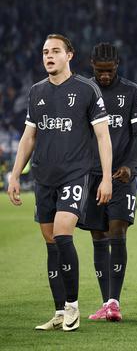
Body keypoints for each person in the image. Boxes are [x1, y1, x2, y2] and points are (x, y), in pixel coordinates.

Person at [7, 34, 113, 331]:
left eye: (55, 51)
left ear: (70, 55)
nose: (48, 56)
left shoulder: (86, 89)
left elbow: (103, 136)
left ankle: (72, 307)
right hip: (43, 177)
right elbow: (29, 137)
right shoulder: (36, 92)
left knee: (63, 233)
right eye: (44, 52)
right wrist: (15, 174)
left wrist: (106, 178)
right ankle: (58, 311)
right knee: (51, 243)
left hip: (75, 174)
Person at [79, 43, 137, 322]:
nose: (105, 76)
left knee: (118, 232)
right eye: (100, 71)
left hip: (121, 176)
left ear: (117, 65)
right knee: (98, 236)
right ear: (92, 66)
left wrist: (129, 166)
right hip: (91, 175)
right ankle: (105, 301)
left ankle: (114, 301)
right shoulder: (82, 91)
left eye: (109, 71)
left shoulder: (132, 91)